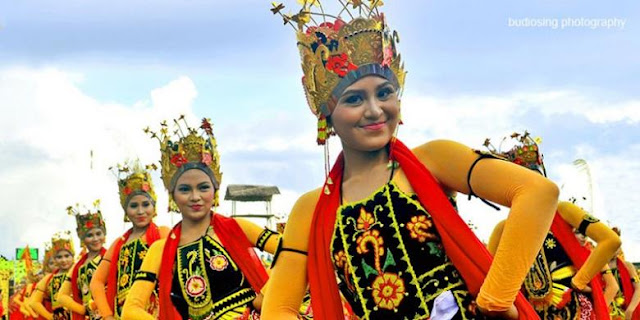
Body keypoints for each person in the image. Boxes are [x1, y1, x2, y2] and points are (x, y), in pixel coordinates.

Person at [262, 2, 559, 319]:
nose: (375, 110)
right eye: (354, 99)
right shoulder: (311, 209)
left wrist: (496, 298)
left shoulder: (433, 160)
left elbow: (538, 193)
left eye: (384, 93)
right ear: (326, 115)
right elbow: (278, 310)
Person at [121, 116, 280, 320]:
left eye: (203, 187)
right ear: (172, 195)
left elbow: (292, 252)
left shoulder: (236, 227)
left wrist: (266, 295)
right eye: (185, 189)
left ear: (214, 190)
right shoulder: (160, 250)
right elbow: (131, 310)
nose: (195, 197)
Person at [485, 132, 621, 319]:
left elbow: (610, 240)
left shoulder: (563, 211)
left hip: (574, 309)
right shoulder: (504, 228)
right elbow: (487, 277)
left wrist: (579, 281)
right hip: (530, 313)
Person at [90, 161, 170, 320]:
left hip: (155, 312)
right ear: (126, 210)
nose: (140, 211)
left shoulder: (163, 233)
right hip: (123, 313)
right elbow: (96, 282)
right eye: (134, 206)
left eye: (146, 204)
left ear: (154, 207)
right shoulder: (119, 244)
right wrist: (107, 315)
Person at [57, 201, 107, 320]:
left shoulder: (110, 257)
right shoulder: (78, 266)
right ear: (82, 238)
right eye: (90, 235)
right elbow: (61, 296)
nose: (95, 239)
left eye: (98, 234)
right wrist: (84, 310)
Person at [31, 233, 75, 320]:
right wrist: (50, 317)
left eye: (67, 256)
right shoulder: (49, 278)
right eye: (59, 257)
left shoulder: (79, 271)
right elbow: (34, 302)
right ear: (55, 259)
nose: (63, 260)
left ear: (73, 257)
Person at [606, 227, 640, 320]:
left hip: (626, 309)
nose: (617, 249)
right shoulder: (599, 267)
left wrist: (630, 309)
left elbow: (638, 289)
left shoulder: (628, 266)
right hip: (607, 311)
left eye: (619, 246)